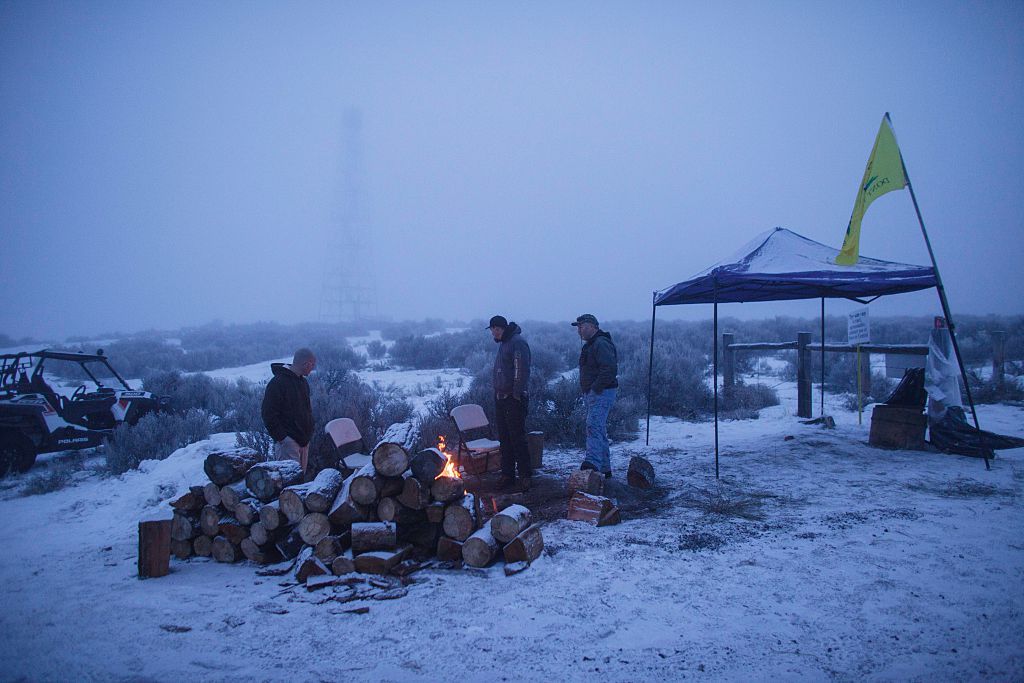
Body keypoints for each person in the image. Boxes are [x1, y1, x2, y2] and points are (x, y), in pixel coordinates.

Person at [488, 315, 532, 491]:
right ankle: (507, 475)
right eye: (492, 330)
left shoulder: (517, 342)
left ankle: (525, 476)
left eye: (497, 329)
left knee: (517, 438)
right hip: (500, 397)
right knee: (504, 438)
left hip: (513, 399)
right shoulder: (504, 343)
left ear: (504, 328)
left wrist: (516, 393)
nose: (494, 333)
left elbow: (521, 370)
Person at [573, 314, 618, 478]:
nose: (579, 330)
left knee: (593, 426)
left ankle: (591, 465)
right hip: (596, 392)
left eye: (582, 326)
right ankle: (605, 469)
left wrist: (595, 388)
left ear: (593, 326)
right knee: (598, 428)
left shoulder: (600, 343)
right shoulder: (591, 344)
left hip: (602, 392)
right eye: (578, 327)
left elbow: (610, 369)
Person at [261, 347, 316, 473]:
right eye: (312, 364)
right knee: (288, 483)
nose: (312, 368)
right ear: (306, 363)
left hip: (304, 441)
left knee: (300, 484)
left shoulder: (302, 382)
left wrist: (309, 429)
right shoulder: (278, 383)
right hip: (288, 444)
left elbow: (307, 410)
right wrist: (283, 438)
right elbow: (268, 413)